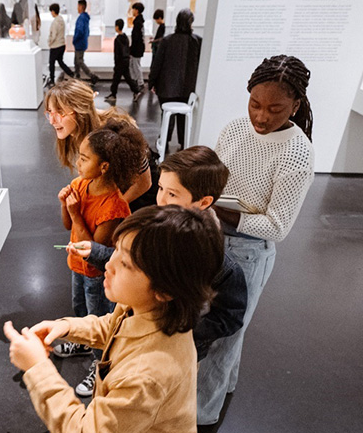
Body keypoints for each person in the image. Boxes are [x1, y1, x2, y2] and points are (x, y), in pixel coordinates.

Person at [4, 206, 225, 433]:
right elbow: (113, 326)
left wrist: (37, 369)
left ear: (165, 290)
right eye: (115, 250)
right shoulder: (145, 307)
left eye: (126, 264)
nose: (108, 265)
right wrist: (68, 326)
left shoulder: (149, 374)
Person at [198, 54, 315, 425]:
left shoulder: (297, 151)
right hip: (212, 236)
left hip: (249, 252)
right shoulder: (235, 129)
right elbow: (214, 179)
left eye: (275, 109)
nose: (261, 117)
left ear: (295, 105)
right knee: (220, 325)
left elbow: (277, 227)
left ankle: (201, 415)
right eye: (255, 104)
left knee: (226, 334)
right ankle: (224, 385)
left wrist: (216, 209)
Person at [68, 145, 248, 363]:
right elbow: (135, 261)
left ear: (204, 202)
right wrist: (96, 251)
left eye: (172, 194)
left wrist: (178, 330)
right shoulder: (156, 226)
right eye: (161, 188)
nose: (161, 200)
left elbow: (230, 315)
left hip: (171, 352)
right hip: (137, 335)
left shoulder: (216, 263)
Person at [56, 123, 147, 396]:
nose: (77, 163)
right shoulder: (80, 185)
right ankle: (82, 341)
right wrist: (65, 205)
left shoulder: (115, 207)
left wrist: (74, 213)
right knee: (80, 309)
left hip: (96, 275)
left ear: (104, 166)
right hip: (77, 267)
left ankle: (99, 363)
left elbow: (92, 248)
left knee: (98, 316)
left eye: (84, 158)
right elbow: (67, 226)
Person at [44, 79, 153, 207]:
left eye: (60, 112)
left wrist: (112, 208)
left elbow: (145, 182)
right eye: (50, 112)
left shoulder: (116, 133)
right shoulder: (74, 131)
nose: (52, 121)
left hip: (138, 198)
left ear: (80, 111)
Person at [148, 8, 202, 153]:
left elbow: (157, 64)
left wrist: (152, 82)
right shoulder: (197, 41)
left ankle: (164, 141)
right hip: (188, 89)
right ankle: (184, 144)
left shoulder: (167, 41)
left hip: (166, 88)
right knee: (184, 119)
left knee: (167, 116)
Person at [104, 19, 141, 103]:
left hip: (120, 62)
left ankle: (114, 94)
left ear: (117, 27)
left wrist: (116, 63)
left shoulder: (117, 39)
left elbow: (117, 53)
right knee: (126, 78)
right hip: (126, 60)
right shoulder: (125, 37)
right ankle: (135, 90)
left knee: (117, 78)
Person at [72, 0, 98, 86]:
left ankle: (92, 76)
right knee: (76, 60)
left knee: (79, 61)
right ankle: (77, 76)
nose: (77, 8)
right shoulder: (85, 18)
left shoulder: (81, 18)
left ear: (81, 7)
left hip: (79, 43)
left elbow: (80, 31)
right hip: (82, 42)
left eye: (78, 6)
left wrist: (75, 39)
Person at [48, 3, 73, 84]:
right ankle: (71, 73)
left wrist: (49, 42)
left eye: (51, 11)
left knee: (51, 63)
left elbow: (54, 35)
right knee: (60, 62)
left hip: (55, 46)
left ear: (53, 11)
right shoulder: (62, 20)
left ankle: (52, 79)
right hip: (62, 45)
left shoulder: (55, 22)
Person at [128, 2, 146, 91]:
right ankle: (135, 80)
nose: (132, 11)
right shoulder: (139, 22)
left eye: (133, 9)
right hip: (138, 47)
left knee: (136, 65)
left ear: (137, 10)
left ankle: (140, 82)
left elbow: (136, 38)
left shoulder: (138, 23)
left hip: (137, 48)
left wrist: (132, 48)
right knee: (133, 64)